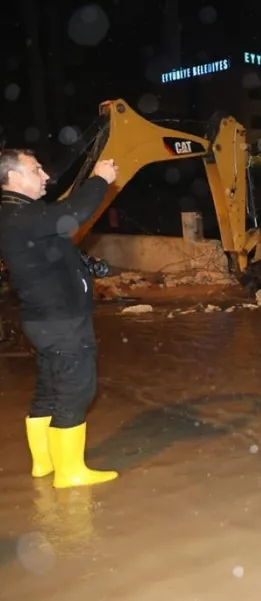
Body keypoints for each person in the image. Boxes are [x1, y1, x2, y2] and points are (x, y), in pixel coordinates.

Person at [0, 150, 119, 489]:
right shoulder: (19, 215)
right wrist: (99, 178)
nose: (45, 176)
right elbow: (75, 213)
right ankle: (69, 473)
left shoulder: (19, 215)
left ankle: (44, 464)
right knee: (76, 390)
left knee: (50, 389)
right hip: (62, 320)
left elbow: (53, 244)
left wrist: (86, 264)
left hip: (43, 320)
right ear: (13, 178)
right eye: (36, 169)